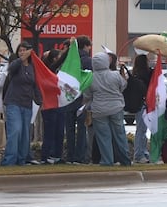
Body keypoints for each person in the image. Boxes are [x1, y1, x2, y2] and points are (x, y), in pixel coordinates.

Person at [84, 51, 130, 166]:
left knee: (103, 137)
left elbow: (87, 95)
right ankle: (125, 160)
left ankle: (107, 160)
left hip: (99, 110)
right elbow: (123, 85)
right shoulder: (115, 75)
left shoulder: (91, 78)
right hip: (116, 107)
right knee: (119, 135)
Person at [1, 42, 42, 166]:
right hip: (13, 103)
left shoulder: (32, 67)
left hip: (27, 104)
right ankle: (9, 161)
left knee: (25, 134)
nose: (22, 52)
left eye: (25, 50)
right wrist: (21, 59)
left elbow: (35, 85)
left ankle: (21, 160)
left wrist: (40, 101)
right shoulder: (16, 65)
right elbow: (11, 68)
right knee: (15, 130)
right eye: (20, 50)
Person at [65, 35, 93, 164]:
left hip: (68, 97)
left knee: (69, 129)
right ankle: (80, 156)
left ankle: (70, 156)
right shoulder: (88, 61)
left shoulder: (70, 60)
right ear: (86, 46)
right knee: (82, 128)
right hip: (82, 98)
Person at [40, 48, 67, 164]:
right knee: (50, 132)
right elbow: (59, 62)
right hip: (49, 105)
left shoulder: (58, 72)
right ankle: (45, 156)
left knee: (59, 131)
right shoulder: (48, 70)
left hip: (58, 104)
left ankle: (57, 155)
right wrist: (69, 50)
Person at [130, 54, 152, 164]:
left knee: (142, 129)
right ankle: (139, 154)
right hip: (144, 103)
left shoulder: (135, 74)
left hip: (138, 103)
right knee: (142, 130)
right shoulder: (145, 74)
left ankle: (142, 152)